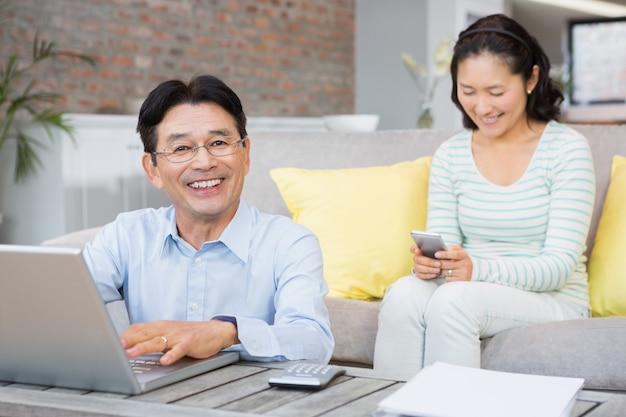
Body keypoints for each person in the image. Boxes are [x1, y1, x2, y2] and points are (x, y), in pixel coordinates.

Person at [373, 14, 595, 379]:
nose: (481, 108)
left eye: (496, 92)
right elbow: (446, 245)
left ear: (531, 79)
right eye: (468, 91)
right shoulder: (451, 154)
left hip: (552, 299)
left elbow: (557, 267)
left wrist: (476, 269)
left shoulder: (566, 149)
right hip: (469, 288)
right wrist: (432, 265)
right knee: (403, 294)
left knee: (454, 300)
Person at [83, 74, 334, 366]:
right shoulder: (125, 236)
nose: (204, 162)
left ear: (245, 154)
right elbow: (58, 304)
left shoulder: (290, 242)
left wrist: (229, 332)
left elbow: (314, 341)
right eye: (181, 148)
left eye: (218, 142)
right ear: (152, 169)